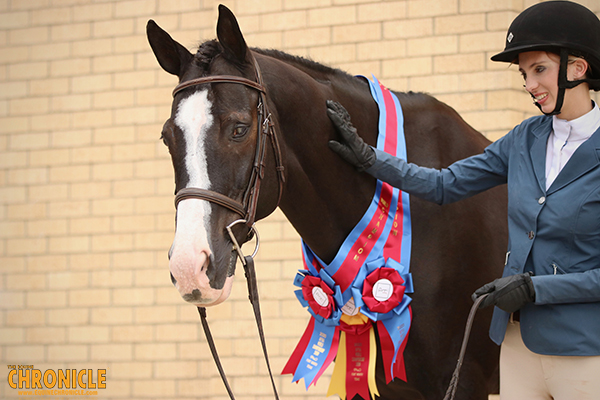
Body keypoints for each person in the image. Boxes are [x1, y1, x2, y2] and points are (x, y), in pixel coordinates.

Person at [326, 1, 600, 399]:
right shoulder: (525, 138)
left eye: (539, 69)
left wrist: (535, 290)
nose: (529, 84)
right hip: (516, 345)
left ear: (578, 68)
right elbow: (445, 184)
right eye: (524, 74)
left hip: (584, 352)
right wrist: (371, 159)